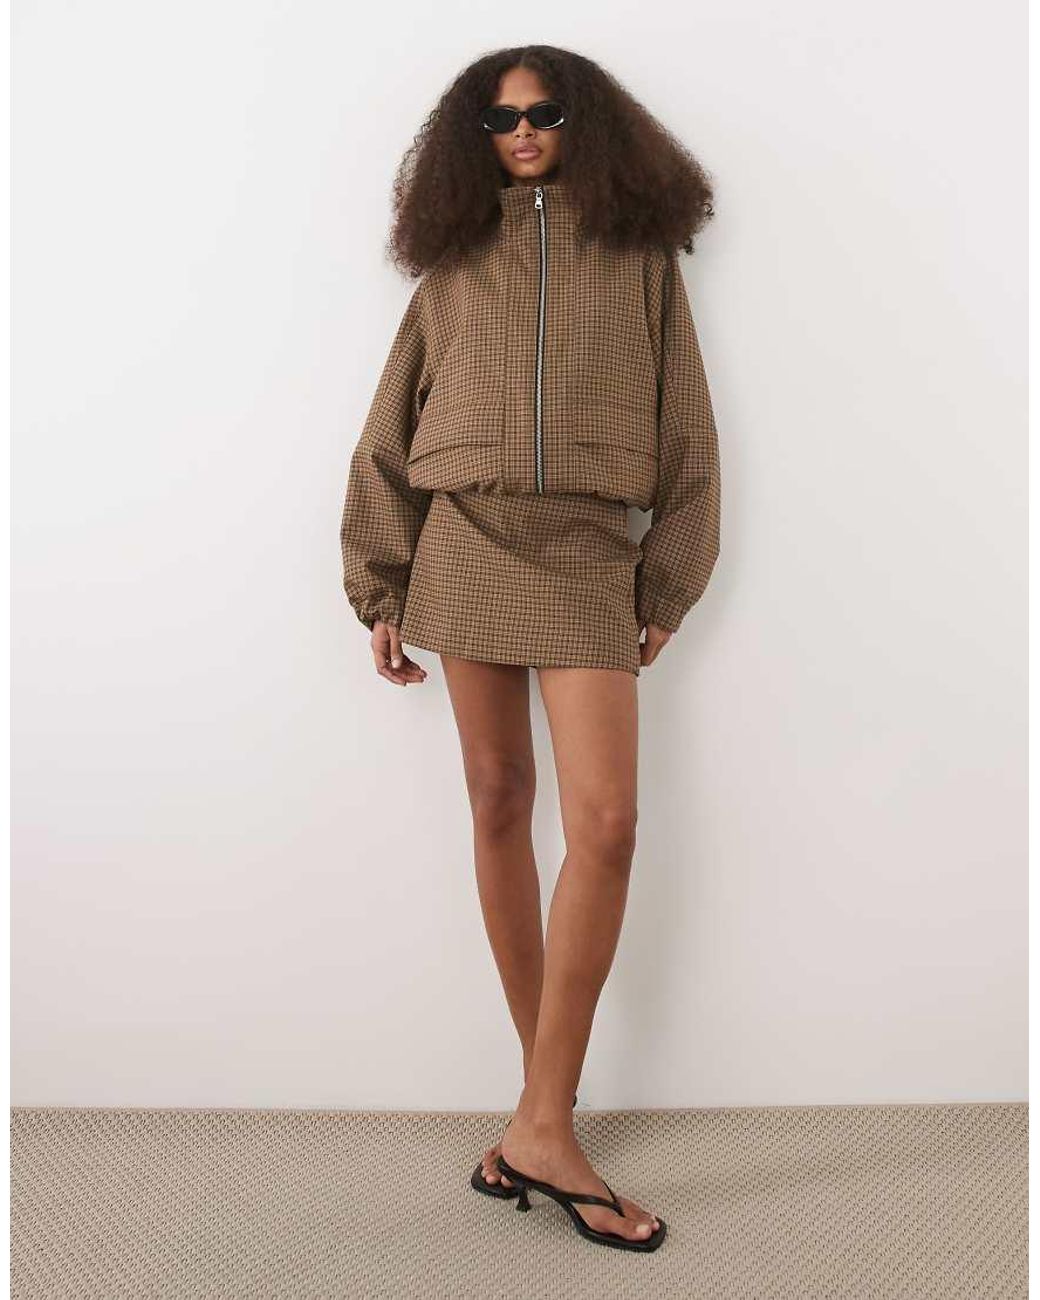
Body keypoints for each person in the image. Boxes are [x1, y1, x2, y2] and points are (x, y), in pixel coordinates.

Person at [340, 44, 721, 1253]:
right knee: (499, 797)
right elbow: (390, 425)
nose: (521, 130)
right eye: (499, 117)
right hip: (464, 536)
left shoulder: (638, 257)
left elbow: (685, 425)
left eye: (544, 112)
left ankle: (535, 1125)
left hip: (586, 550)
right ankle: (542, 1115)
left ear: (583, 124)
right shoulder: (453, 261)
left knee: (604, 822)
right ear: (472, 136)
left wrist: (669, 573)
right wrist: (379, 578)